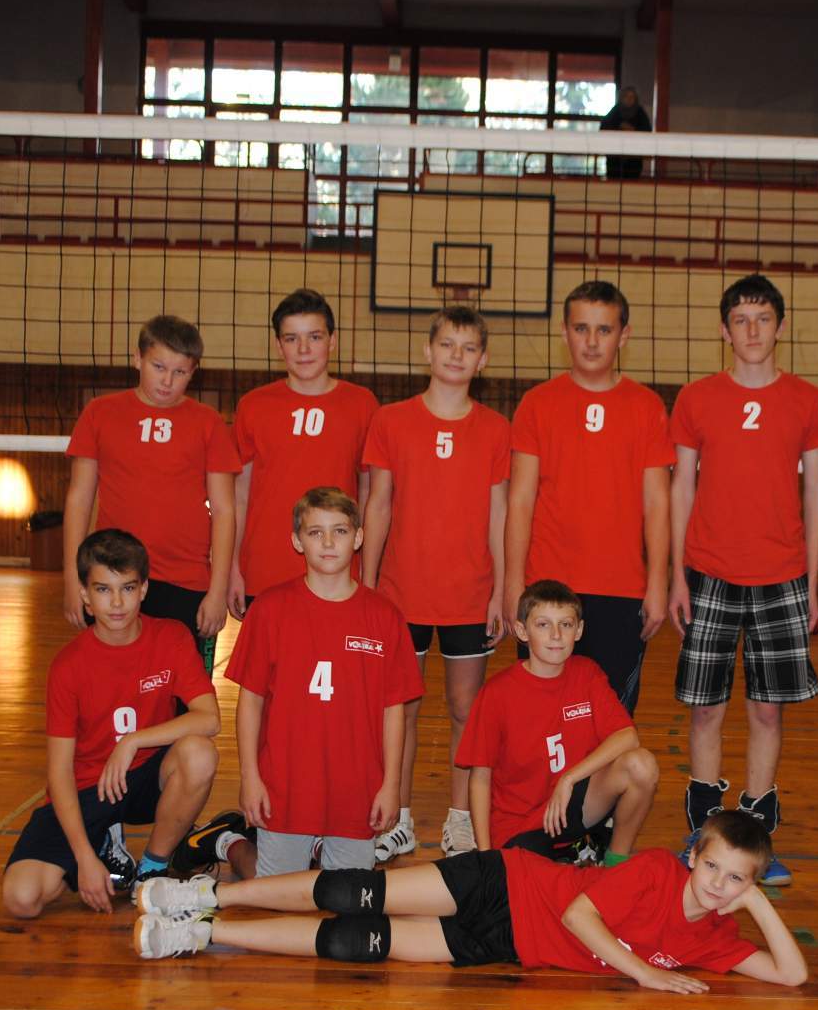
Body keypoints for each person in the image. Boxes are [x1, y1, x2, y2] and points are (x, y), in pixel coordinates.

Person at [132, 809, 810, 995]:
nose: (717, 886)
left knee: (354, 941)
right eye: (713, 868)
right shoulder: (659, 869)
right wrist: (647, 974)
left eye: (735, 880)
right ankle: (207, 890)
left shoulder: (715, 937)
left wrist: (757, 904)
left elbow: (791, 975)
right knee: (354, 889)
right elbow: (579, 915)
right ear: (694, 857)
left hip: (505, 944)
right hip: (508, 882)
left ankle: (203, 932)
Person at [667, 274, 818, 886]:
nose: (753, 330)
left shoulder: (807, 400)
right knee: (705, 709)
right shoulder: (696, 398)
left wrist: (811, 582)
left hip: (782, 576)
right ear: (724, 329)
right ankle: (705, 836)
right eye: (741, 319)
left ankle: (757, 844)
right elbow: (680, 489)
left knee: (767, 711)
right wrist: (676, 575)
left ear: (780, 327)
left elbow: (817, 493)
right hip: (709, 573)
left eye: (763, 318)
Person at [3, 530, 219, 919]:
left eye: (128, 588)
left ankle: (152, 867)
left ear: (144, 589)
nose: (117, 603)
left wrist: (132, 741)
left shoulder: (170, 637)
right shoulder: (69, 666)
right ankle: (101, 843)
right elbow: (58, 772)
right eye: (103, 590)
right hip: (89, 787)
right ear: (85, 595)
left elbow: (209, 718)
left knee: (199, 753)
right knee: (23, 899)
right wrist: (83, 858)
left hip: (146, 778)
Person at [361, 306, 512, 859]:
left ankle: (460, 819)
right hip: (400, 593)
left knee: (465, 709)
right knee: (400, 710)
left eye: (468, 348)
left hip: (469, 593)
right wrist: (367, 584)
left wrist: (501, 589)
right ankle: (396, 818)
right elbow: (378, 504)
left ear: (483, 360)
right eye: (447, 344)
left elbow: (500, 514)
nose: (456, 355)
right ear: (428, 350)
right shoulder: (392, 420)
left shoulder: (495, 429)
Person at [226, 488, 425, 874]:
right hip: (285, 785)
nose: (329, 542)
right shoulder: (270, 609)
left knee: (347, 901)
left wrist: (391, 786)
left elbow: (394, 710)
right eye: (316, 532)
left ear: (359, 537)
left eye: (340, 531)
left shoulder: (384, 616)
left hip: (356, 790)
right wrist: (250, 777)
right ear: (297, 541)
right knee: (277, 897)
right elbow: (250, 701)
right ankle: (230, 844)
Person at [506, 280, 674, 716]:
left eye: (604, 329)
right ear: (564, 332)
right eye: (581, 328)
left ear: (624, 334)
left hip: (621, 589)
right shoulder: (537, 404)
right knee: (542, 718)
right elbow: (520, 501)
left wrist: (658, 582)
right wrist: (512, 583)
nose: (593, 341)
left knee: (609, 721)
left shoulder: (646, 407)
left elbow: (658, 504)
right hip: (547, 589)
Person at [61, 314, 239, 670]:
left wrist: (217, 590)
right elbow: (79, 500)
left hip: (186, 579)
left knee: (184, 691)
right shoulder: (99, 413)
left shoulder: (208, 423)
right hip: (114, 578)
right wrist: (71, 580)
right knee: (115, 686)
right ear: (137, 358)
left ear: (194, 371)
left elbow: (224, 510)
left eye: (180, 371)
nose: (167, 381)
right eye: (158, 367)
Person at [456, 579, 660, 865]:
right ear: (522, 631)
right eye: (543, 625)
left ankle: (614, 864)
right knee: (535, 886)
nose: (556, 635)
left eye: (565, 624)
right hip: (520, 826)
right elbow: (480, 778)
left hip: (571, 805)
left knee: (641, 765)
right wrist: (485, 856)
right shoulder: (497, 693)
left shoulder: (587, 674)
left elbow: (628, 736)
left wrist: (569, 778)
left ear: (579, 630)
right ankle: (571, 853)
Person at [229, 288, 379, 618]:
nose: (304, 349)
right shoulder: (253, 406)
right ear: (278, 345)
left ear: (332, 341)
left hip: (338, 572)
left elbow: (371, 496)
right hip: (265, 569)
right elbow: (239, 496)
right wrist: (232, 568)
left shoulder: (362, 404)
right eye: (291, 338)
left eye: (314, 336)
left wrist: (368, 573)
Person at [600, 85, 652, 180]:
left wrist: (633, 130)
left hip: (634, 158)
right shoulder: (614, 112)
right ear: (621, 98)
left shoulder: (640, 113)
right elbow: (604, 128)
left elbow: (647, 131)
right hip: (615, 158)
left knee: (632, 183)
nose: (629, 99)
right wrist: (619, 128)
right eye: (626, 96)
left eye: (632, 97)